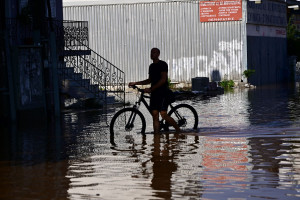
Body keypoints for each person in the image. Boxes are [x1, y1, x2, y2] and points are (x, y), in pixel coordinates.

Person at [128, 48, 180, 134]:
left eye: (154, 52)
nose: (152, 54)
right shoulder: (151, 66)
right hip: (154, 94)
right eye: (151, 53)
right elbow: (150, 80)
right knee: (155, 116)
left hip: (163, 93)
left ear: (158, 54)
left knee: (163, 114)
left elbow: (163, 80)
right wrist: (136, 83)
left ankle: (178, 131)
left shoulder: (163, 64)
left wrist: (151, 89)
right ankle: (156, 138)